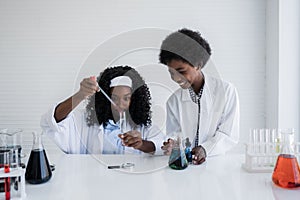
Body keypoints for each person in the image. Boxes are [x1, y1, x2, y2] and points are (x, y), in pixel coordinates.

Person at [159, 28, 240, 164]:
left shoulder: (226, 92)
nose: (176, 78)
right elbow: (175, 135)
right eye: (171, 72)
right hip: (185, 167)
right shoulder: (173, 101)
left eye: (181, 71)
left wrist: (205, 149)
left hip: (216, 165)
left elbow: (228, 134)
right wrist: (173, 144)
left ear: (198, 65)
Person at [40, 66, 164, 154]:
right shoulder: (86, 121)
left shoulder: (141, 125)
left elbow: (160, 145)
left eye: (126, 98)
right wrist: (80, 95)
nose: (120, 104)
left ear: (134, 100)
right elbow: (53, 121)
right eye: (114, 98)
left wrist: (141, 144)